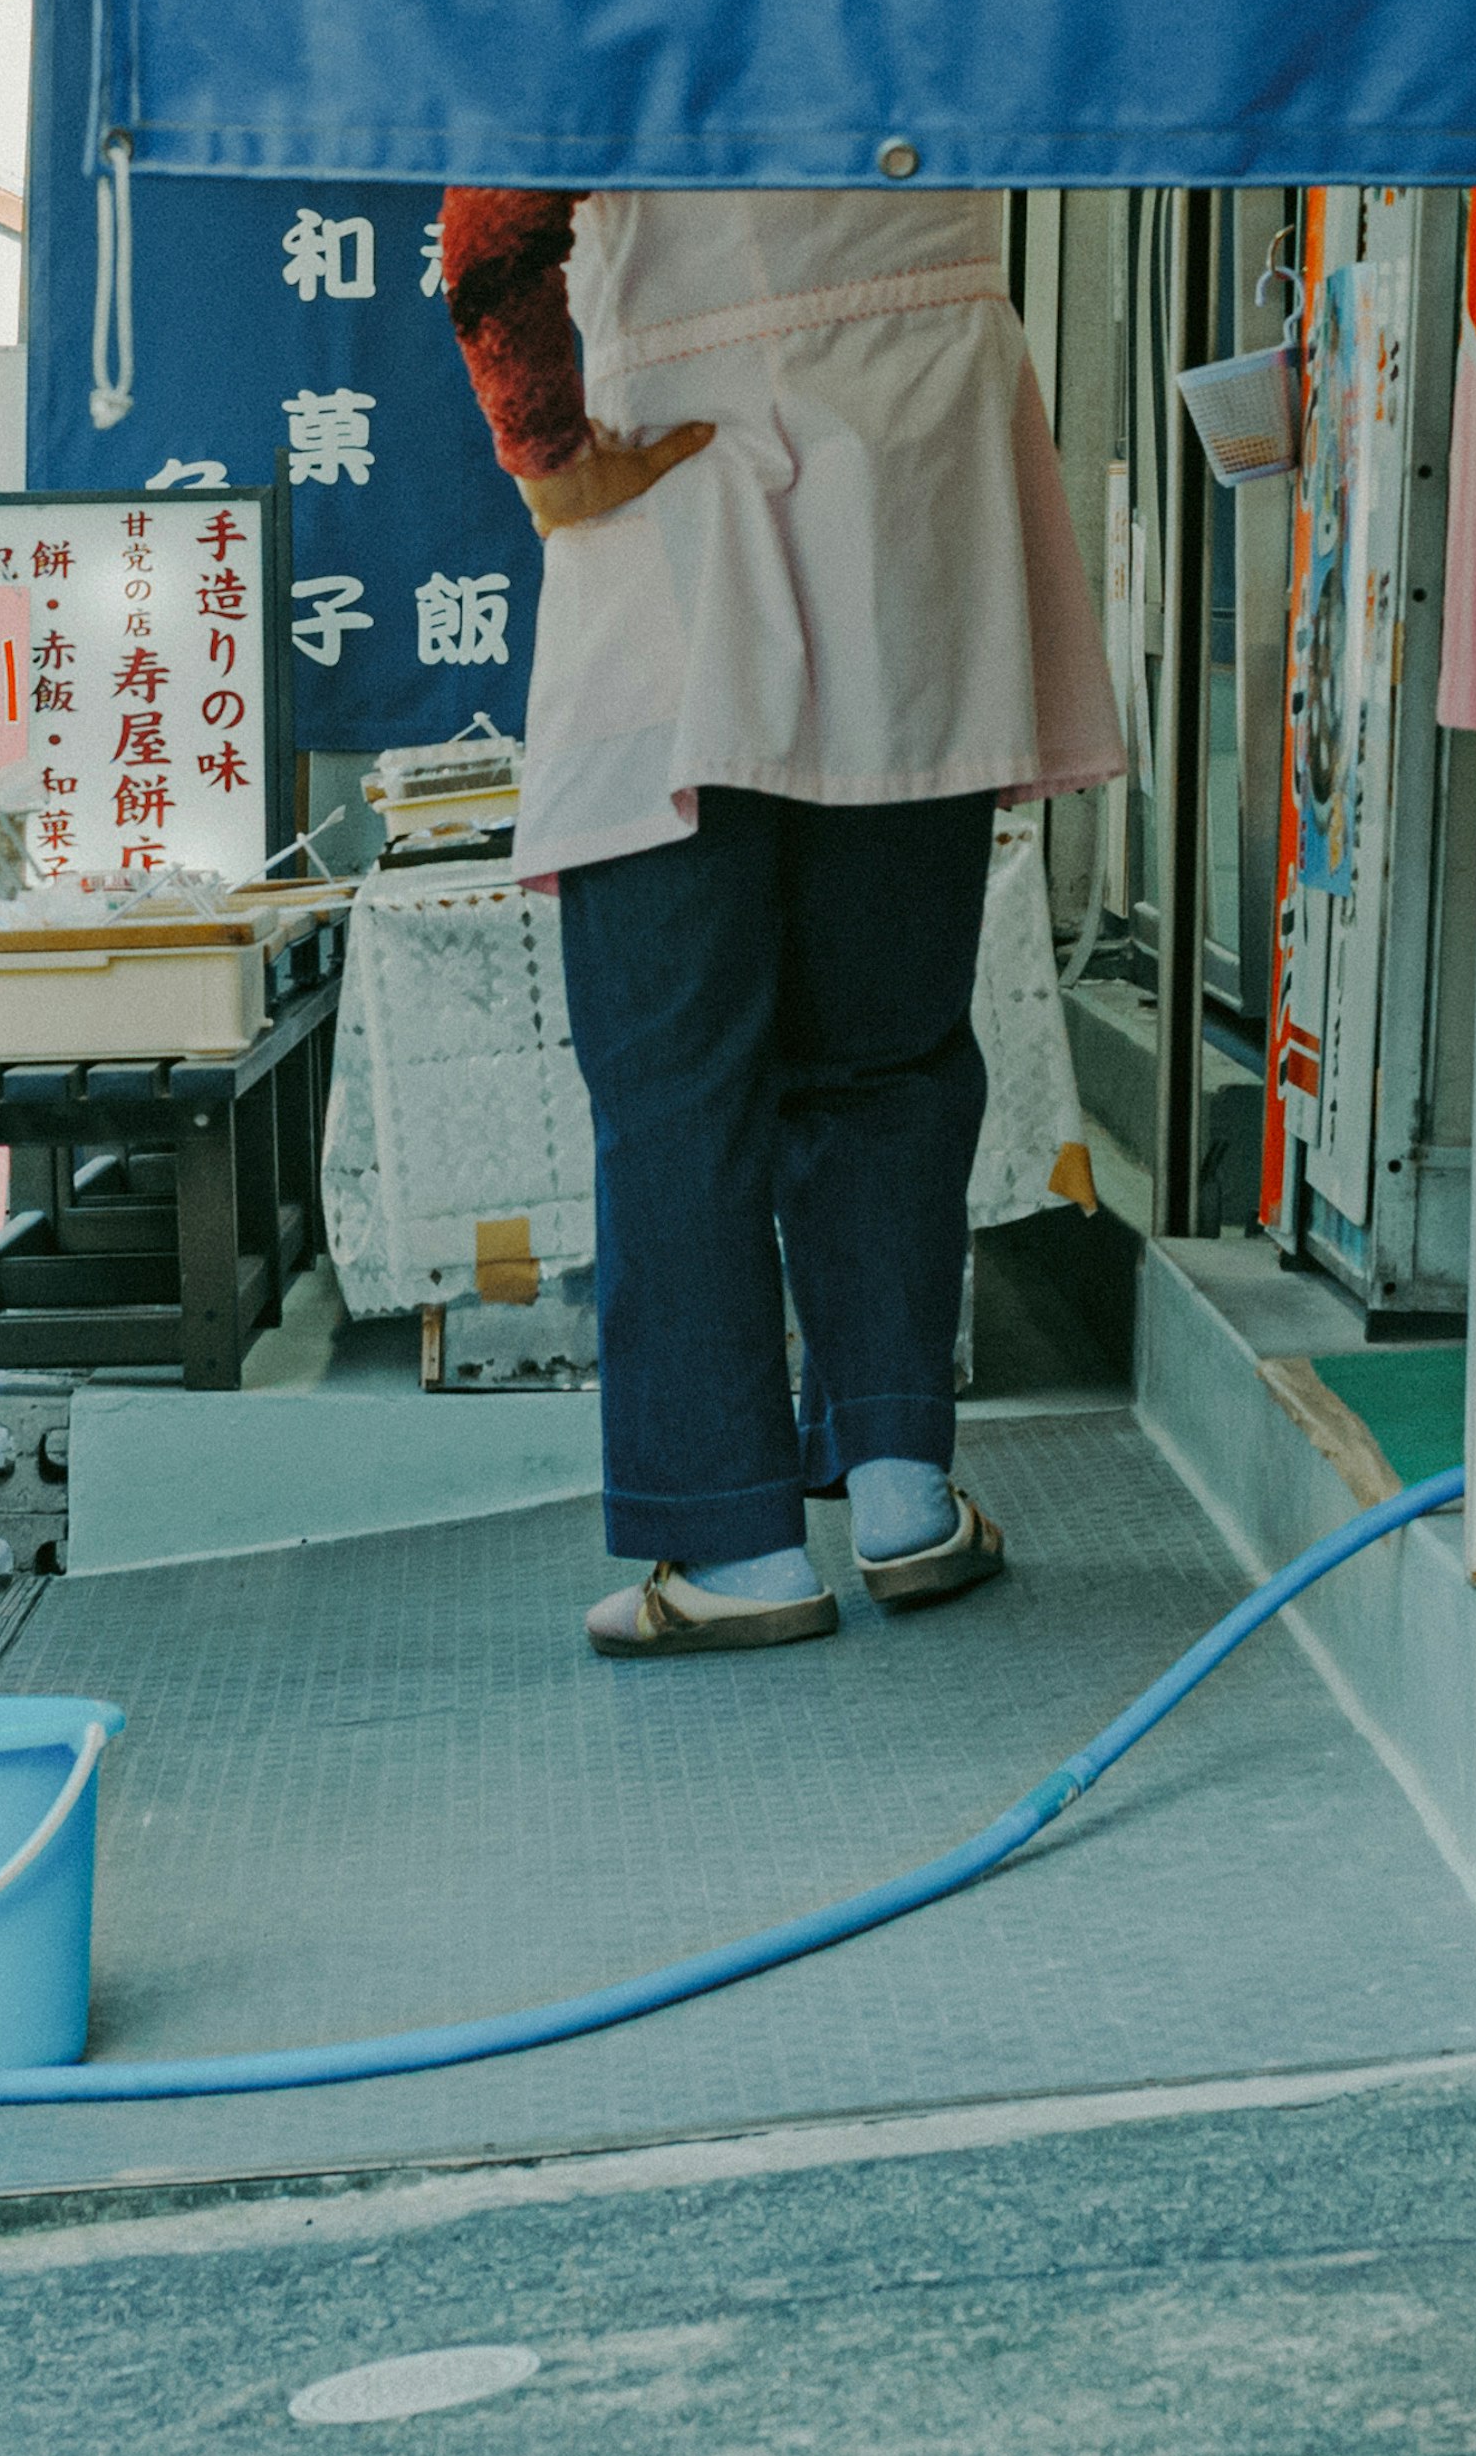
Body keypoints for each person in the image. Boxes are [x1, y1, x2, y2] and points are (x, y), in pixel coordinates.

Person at [444, 184, 1119, 1661]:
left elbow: (492, 234)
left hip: (679, 503)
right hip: (926, 486)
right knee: (886, 1041)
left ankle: (738, 1549)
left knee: (675, 1074)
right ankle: (900, 1493)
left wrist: (547, 452)